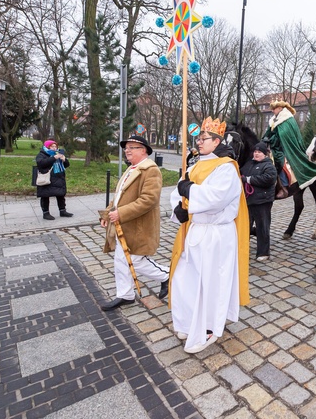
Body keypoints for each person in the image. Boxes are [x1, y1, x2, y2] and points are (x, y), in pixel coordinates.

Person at [169, 117, 250, 354]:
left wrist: (191, 192)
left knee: (210, 282)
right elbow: (179, 192)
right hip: (196, 230)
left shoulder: (226, 167)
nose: (199, 142)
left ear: (216, 142)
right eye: (199, 138)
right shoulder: (194, 166)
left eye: (203, 139)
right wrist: (180, 208)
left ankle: (209, 327)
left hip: (216, 234)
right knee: (186, 278)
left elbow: (216, 199)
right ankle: (187, 320)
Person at [99, 135, 170, 311]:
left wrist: (120, 214)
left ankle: (167, 276)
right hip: (125, 225)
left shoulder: (150, 170)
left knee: (135, 260)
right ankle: (125, 295)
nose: (127, 150)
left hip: (139, 226)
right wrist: (107, 215)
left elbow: (149, 200)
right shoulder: (132, 168)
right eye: (126, 147)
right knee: (121, 259)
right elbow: (118, 197)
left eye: (132, 147)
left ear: (144, 150)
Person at [262, 99, 316, 194]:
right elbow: (268, 132)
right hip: (273, 147)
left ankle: (282, 186)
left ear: (280, 108)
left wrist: (271, 140)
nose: (272, 111)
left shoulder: (287, 119)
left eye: (274, 109)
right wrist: (264, 139)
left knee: (279, 161)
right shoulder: (274, 120)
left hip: (284, 149)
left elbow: (283, 135)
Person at [240, 142, 277, 261]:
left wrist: (249, 180)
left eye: (259, 152)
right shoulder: (249, 163)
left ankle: (263, 252)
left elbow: (268, 179)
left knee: (262, 226)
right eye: (255, 152)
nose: (256, 154)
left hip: (262, 201)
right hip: (249, 200)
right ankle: (242, 247)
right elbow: (241, 172)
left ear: (265, 154)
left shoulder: (268, 166)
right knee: (246, 225)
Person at [35, 140, 73, 220]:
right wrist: (54, 158)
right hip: (47, 178)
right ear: (47, 147)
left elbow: (66, 165)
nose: (55, 148)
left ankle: (62, 211)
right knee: (45, 195)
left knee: (60, 195)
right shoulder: (42, 154)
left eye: (55, 146)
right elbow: (41, 163)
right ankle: (46, 213)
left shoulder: (58, 153)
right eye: (52, 146)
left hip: (58, 177)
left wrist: (64, 160)